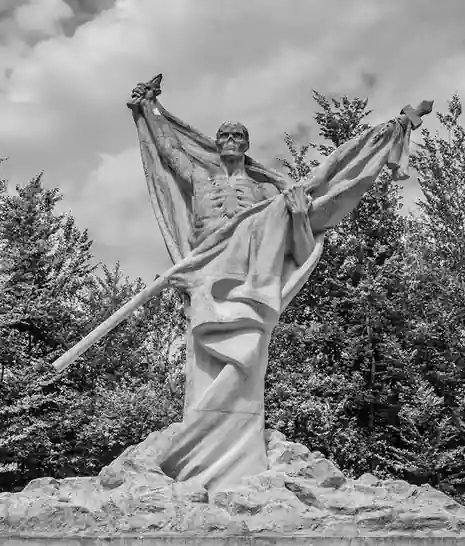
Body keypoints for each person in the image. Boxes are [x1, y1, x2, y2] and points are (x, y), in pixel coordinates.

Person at [125, 75, 430, 490]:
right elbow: (168, 151)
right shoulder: (197, 178)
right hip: (206, 276)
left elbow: (310, 208)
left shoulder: (266, 191)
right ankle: (198, 459)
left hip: (249, 284)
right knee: (205, 366)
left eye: (238, 135)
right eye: (224, 135)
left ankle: (231, 461)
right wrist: (148, 110)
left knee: (246, 355)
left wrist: (300, 214)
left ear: (247, 145)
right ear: (215, 144)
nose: (231, 139)